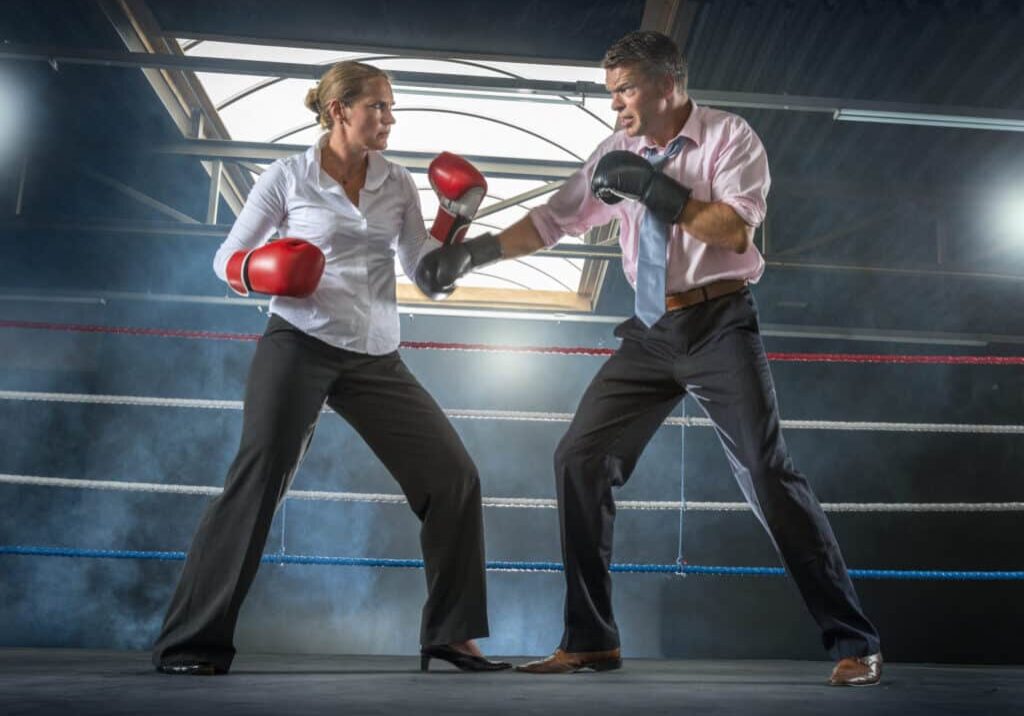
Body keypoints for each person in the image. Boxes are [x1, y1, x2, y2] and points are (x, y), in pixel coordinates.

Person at [414, 31, 882, 686]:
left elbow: (736, 229)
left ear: (669, 84)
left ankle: (855, 642)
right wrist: (472, 255)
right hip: (648, 331)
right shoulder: (614, 150)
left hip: (719, 323)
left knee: (767, 474)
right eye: (611, 95)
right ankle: (590, 639)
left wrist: (661, 192)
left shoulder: (729, 138)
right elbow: (553, 221)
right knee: (579, 458)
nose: (616, 108)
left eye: (626, 91)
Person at [152, 60, 510, 675]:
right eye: (379, 106)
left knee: (453, 477)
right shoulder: (286, 177)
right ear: (340, 109)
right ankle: (191, 642)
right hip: (298, 342)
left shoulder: (397, 182)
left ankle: (450, 635)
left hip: (375, 354)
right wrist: (260, 271)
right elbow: (226, 257)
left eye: (392, 107)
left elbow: (426, 273)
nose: (391, 119)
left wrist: (456, 221)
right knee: (257, 479)